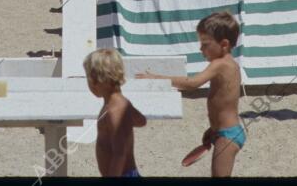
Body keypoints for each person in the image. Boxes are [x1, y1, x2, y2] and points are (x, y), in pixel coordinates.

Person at [137, 11, 243, 177]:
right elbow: (227, 103)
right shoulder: (233, 65)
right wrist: (214, 128)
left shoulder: (219, 64)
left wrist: (156, 78)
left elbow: (192, 83)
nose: (201, 48)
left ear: (223, 44)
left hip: (227, 136)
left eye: (205, 44)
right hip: (226, 131)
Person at [84, 48, 146, 177]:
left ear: (96, 81)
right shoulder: (121, 104)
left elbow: (120, 154)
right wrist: (127, 121)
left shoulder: (115, 110)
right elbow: (141, 121)